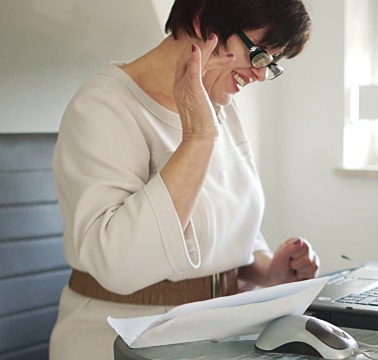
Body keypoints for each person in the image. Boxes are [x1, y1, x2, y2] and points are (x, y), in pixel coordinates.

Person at [49, 1, 318, 359]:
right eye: (259, 54)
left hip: (212, 334)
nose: (259, 75)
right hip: (118, 339)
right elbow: (118, 263)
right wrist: (199, 138)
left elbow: (224, 217)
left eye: (272, 64)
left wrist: (266, 269)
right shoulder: (104, 107)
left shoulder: (220, 105)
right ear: (201, 19)